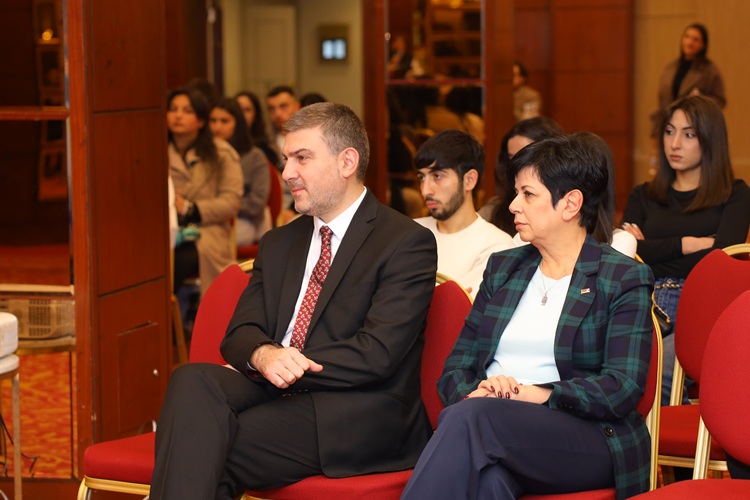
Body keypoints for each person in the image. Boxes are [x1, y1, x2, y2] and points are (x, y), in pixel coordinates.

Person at [151, 102, 438, 499]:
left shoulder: (404, 242)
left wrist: (289, 362)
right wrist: (265, 355)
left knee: (203, 442)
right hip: (276, 388)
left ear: (347, 162)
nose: (286, 173)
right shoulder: (280, 242)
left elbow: (378, 353)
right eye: (287, 159)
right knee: (190, 380)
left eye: (302, 158)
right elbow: (240, 333)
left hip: (357, 409)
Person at [402, 134, 655, 500]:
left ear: (570, 204)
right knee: (489, 483)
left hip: (585, 436)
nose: (513, 205)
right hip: (491, 427)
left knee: (472, 420)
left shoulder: (621, 277)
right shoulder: (504, 268)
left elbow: (622, 386)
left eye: (528, 194)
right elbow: (456, 366)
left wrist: (532, 394)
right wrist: (476, 392)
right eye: (515, 192)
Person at [622, 94, 750, 405]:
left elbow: (722, 261)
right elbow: (625, 255)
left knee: (658, 377)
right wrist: (689, 243)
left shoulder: (735, 195)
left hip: (699, 306)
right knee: (613, 368)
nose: (675, 144)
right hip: (642, 300)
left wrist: (650, 250)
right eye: (669, 132)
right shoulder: (643, 195)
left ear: (710, 140)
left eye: (689, 134)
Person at [414, 129, 512, 297]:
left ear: (469, 180)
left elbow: (459, 308)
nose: (425, 191)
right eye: (422, 178)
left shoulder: (497, 247)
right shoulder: (409, 232)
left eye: (437, 176)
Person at [168, 88, 243, 297]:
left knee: (177, 260)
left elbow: (231, 202)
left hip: (207, 230)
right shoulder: (156, 151)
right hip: (167, 230)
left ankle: (170, 313)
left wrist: (190, 208)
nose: (178, 116)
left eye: (187, 111)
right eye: (173, 109)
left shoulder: (221, 153)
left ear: (201, 121)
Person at [479, 117, 565, 235]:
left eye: (526, 158)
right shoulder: (494, 211)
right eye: (512, 158)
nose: (517, 165)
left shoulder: (569, 207)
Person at [209, 98, 271, 246]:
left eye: (224, 121)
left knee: (213, 240)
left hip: (245, 220)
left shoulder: (254, 156)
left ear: (237, 124)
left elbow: (257, 202)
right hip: (210, 219)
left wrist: (223, 207)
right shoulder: (203, 155)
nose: (217, 127)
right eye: (213, 121)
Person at [651, 23, 725, 137]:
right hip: (668, 127)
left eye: (695, 40)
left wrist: (701, 99)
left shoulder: (709, 70)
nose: (690, 42)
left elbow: (720, 101)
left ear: (703, 45)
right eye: (687, 37)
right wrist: (655, 131)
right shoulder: (670, 68)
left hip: (695, 129)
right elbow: (662, 103)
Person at [267, 85, 302, 218]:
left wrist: (292, 210)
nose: (277, 113)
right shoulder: (264, 143)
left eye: (283, 106)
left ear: (297, 107)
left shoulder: (310, 140)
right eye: (272, 109)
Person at [235, 90, 280, 168]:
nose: (242, 115)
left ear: (255, 114)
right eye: (238, 110)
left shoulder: (265, 146)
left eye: (247, 110)